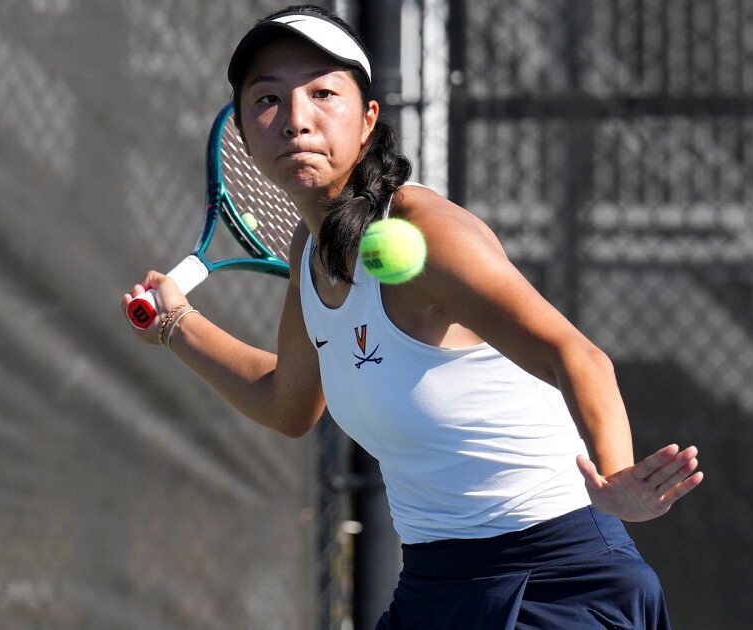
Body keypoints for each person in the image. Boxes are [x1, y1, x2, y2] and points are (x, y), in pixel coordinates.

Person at [122, 5, 704, 629]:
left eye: (323, 93)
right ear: (241, 127)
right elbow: (288, 404)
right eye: (268, 99)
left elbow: (576, 355)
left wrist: (614, 477)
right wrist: (175, 325)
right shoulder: (309, 251)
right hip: (434, 583)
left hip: (556, 579)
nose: (296, 119)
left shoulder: (426, 235)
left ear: (368, 120)